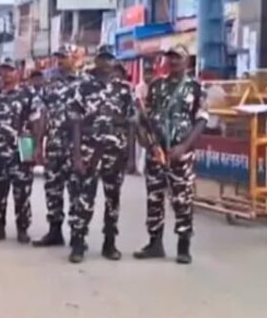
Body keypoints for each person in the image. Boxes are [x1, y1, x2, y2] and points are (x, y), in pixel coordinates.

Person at [134, 45, 208, 265]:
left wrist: (184, 147)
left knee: (182, 199)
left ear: (186, 61)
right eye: (170, 58)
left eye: (177, 58)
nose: (173, 62)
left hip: (180, 152)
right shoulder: (156, 86)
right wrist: (147, 142)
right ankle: (154, 243)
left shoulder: (196, 88)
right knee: (154, 197)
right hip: (157, 151)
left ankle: (183, 247)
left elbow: (202, 120)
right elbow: (144, 116)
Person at [67, 45, 135, 263]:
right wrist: (77, 155)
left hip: (116, 152)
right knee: (83, 199)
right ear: (95, 61)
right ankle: (78, 243)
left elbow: (131, 123)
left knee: (112, 200)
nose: (106, 63)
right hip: (89, 152)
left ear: (115, 62)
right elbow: (75, 122)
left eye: (109, 59)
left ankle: (110, 243)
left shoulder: (124, 89)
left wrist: (132, 156)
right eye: (102, 59)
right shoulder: (83, 87)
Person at [0, 58, 42, 244]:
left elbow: (36, 121)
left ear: (17, 72)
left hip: (22, 148)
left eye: (10, 70)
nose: (6, 74)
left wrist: (36, 147)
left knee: (22, 193)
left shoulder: (28, 94)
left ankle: (22, 229)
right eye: (3, 70)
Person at [33, 45, 80, 247]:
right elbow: (42, 114)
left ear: (75, 58)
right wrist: (38, 145)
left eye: (64, 57)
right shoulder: (49, 84)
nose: (60, 61)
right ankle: (55, 231)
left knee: (77, 192)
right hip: (54, 145)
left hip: (76, 147)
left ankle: (78, 235)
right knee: (53, 189)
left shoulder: (84, 84)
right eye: (58, 58)